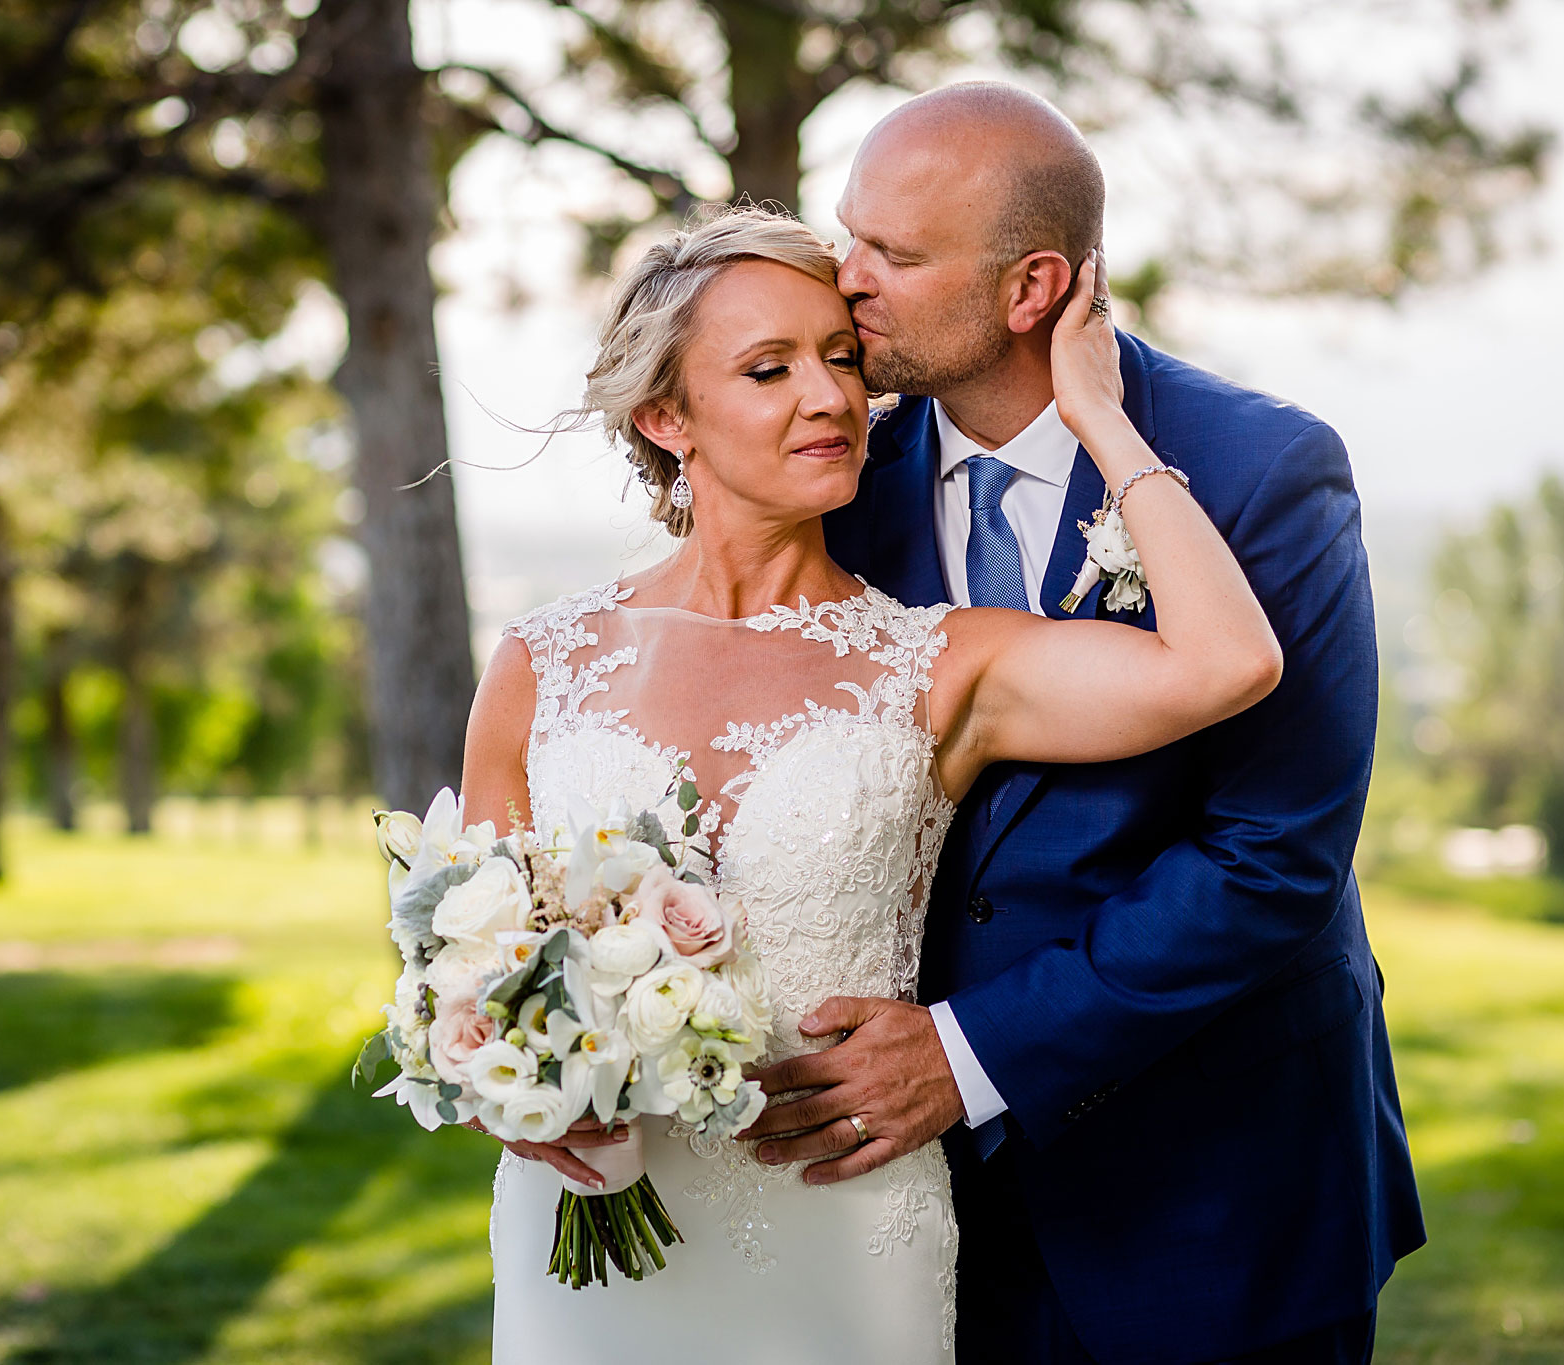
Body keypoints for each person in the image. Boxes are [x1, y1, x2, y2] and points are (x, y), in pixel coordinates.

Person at [458, 187, 1282, 1362]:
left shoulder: (933, 662)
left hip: (838, 1226)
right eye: (767, 370)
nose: (829, 397)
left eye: (841, 359)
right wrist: (506, 1087)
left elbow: (1227, 661)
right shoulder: (541, 663)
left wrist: (1094, 412)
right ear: (664, 418)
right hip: (582, 1216)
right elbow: (474, 956)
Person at [745, 83, 1426, 1363]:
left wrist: (967, 1052)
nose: (844, 280)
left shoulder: (1258, 470)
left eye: (892, 253)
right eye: (847, 235)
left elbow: (1274, 857)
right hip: (924, 1209)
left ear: (1030, 288)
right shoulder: (840, 477)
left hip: (1219, 1189)